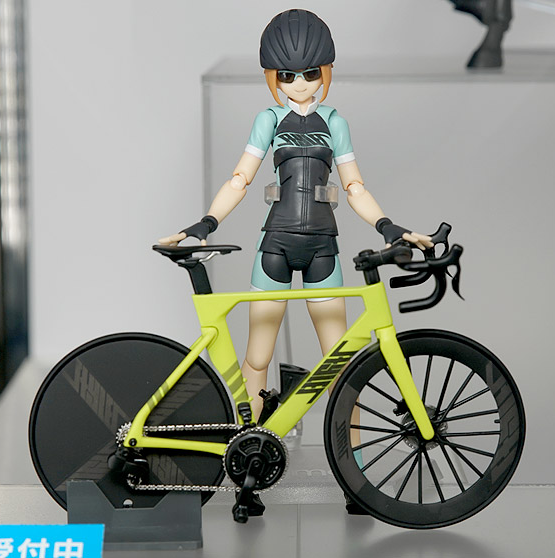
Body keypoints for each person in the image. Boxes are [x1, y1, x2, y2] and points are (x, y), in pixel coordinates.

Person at [159, 8, 431, 434]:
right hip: (276, 246)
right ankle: (246, 445)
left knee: (341, 364)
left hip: (323, 247)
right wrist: (207, 222)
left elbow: (355, 187)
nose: (300, 84)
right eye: (287, 75)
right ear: (273, 76)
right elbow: (239, 178)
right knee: (258, 358)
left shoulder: (335, 122)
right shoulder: (268, 120)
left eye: (309, 73)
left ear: (325, 71)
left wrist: (387, 225)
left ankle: (353, 462)